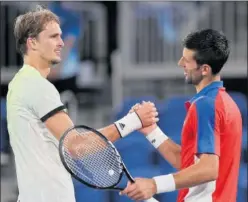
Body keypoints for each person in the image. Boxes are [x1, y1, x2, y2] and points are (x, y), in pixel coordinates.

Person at [7, 5, 159, 202]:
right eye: (53, 37)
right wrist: (133, 121)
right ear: (32, 43)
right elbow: (76, 146)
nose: (62, 42)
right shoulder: (37, 87)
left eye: (61, 36)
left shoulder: (19, 83)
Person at [120, 29, 243, 202]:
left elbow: (208, 169)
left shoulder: (205, 105)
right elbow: (191, 166)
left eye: (186, 60)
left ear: (205, 69)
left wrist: (154, 184)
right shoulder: (225, 103)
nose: (180, 63)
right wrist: (152, 132)